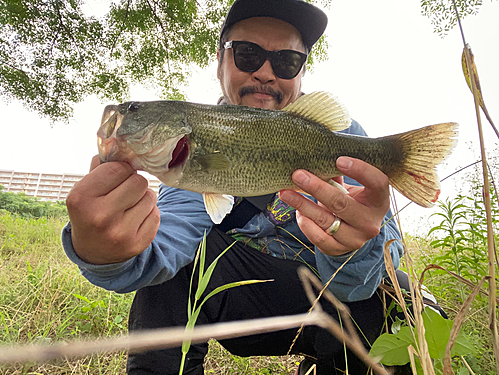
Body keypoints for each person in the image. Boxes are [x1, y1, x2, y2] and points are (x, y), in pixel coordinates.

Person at [62, 0, 404, 374]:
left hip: (338, 305)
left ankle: (329, 359)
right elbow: (167, 245)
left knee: (395, 297)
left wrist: (352, 251)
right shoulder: (186, 159)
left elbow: (370, 270)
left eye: (286, 60)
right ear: (220, 62)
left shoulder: (341, 138)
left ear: (301, 72)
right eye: (247, 54)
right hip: (247, 303)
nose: (266, 73)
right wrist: (104, 253)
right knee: (180, 270)